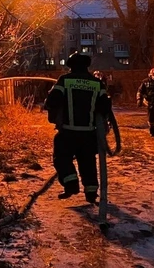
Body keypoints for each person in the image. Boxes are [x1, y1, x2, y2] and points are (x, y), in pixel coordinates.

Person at [44, 52, 111, 204]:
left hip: (67, 131)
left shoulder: (64, 80)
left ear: (71, 65)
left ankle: (71, 184)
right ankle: (91, 193)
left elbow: (52, 100)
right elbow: (104, 106)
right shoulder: (96, 83)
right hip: (88, 133)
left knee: (61, 158)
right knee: (88, 162)